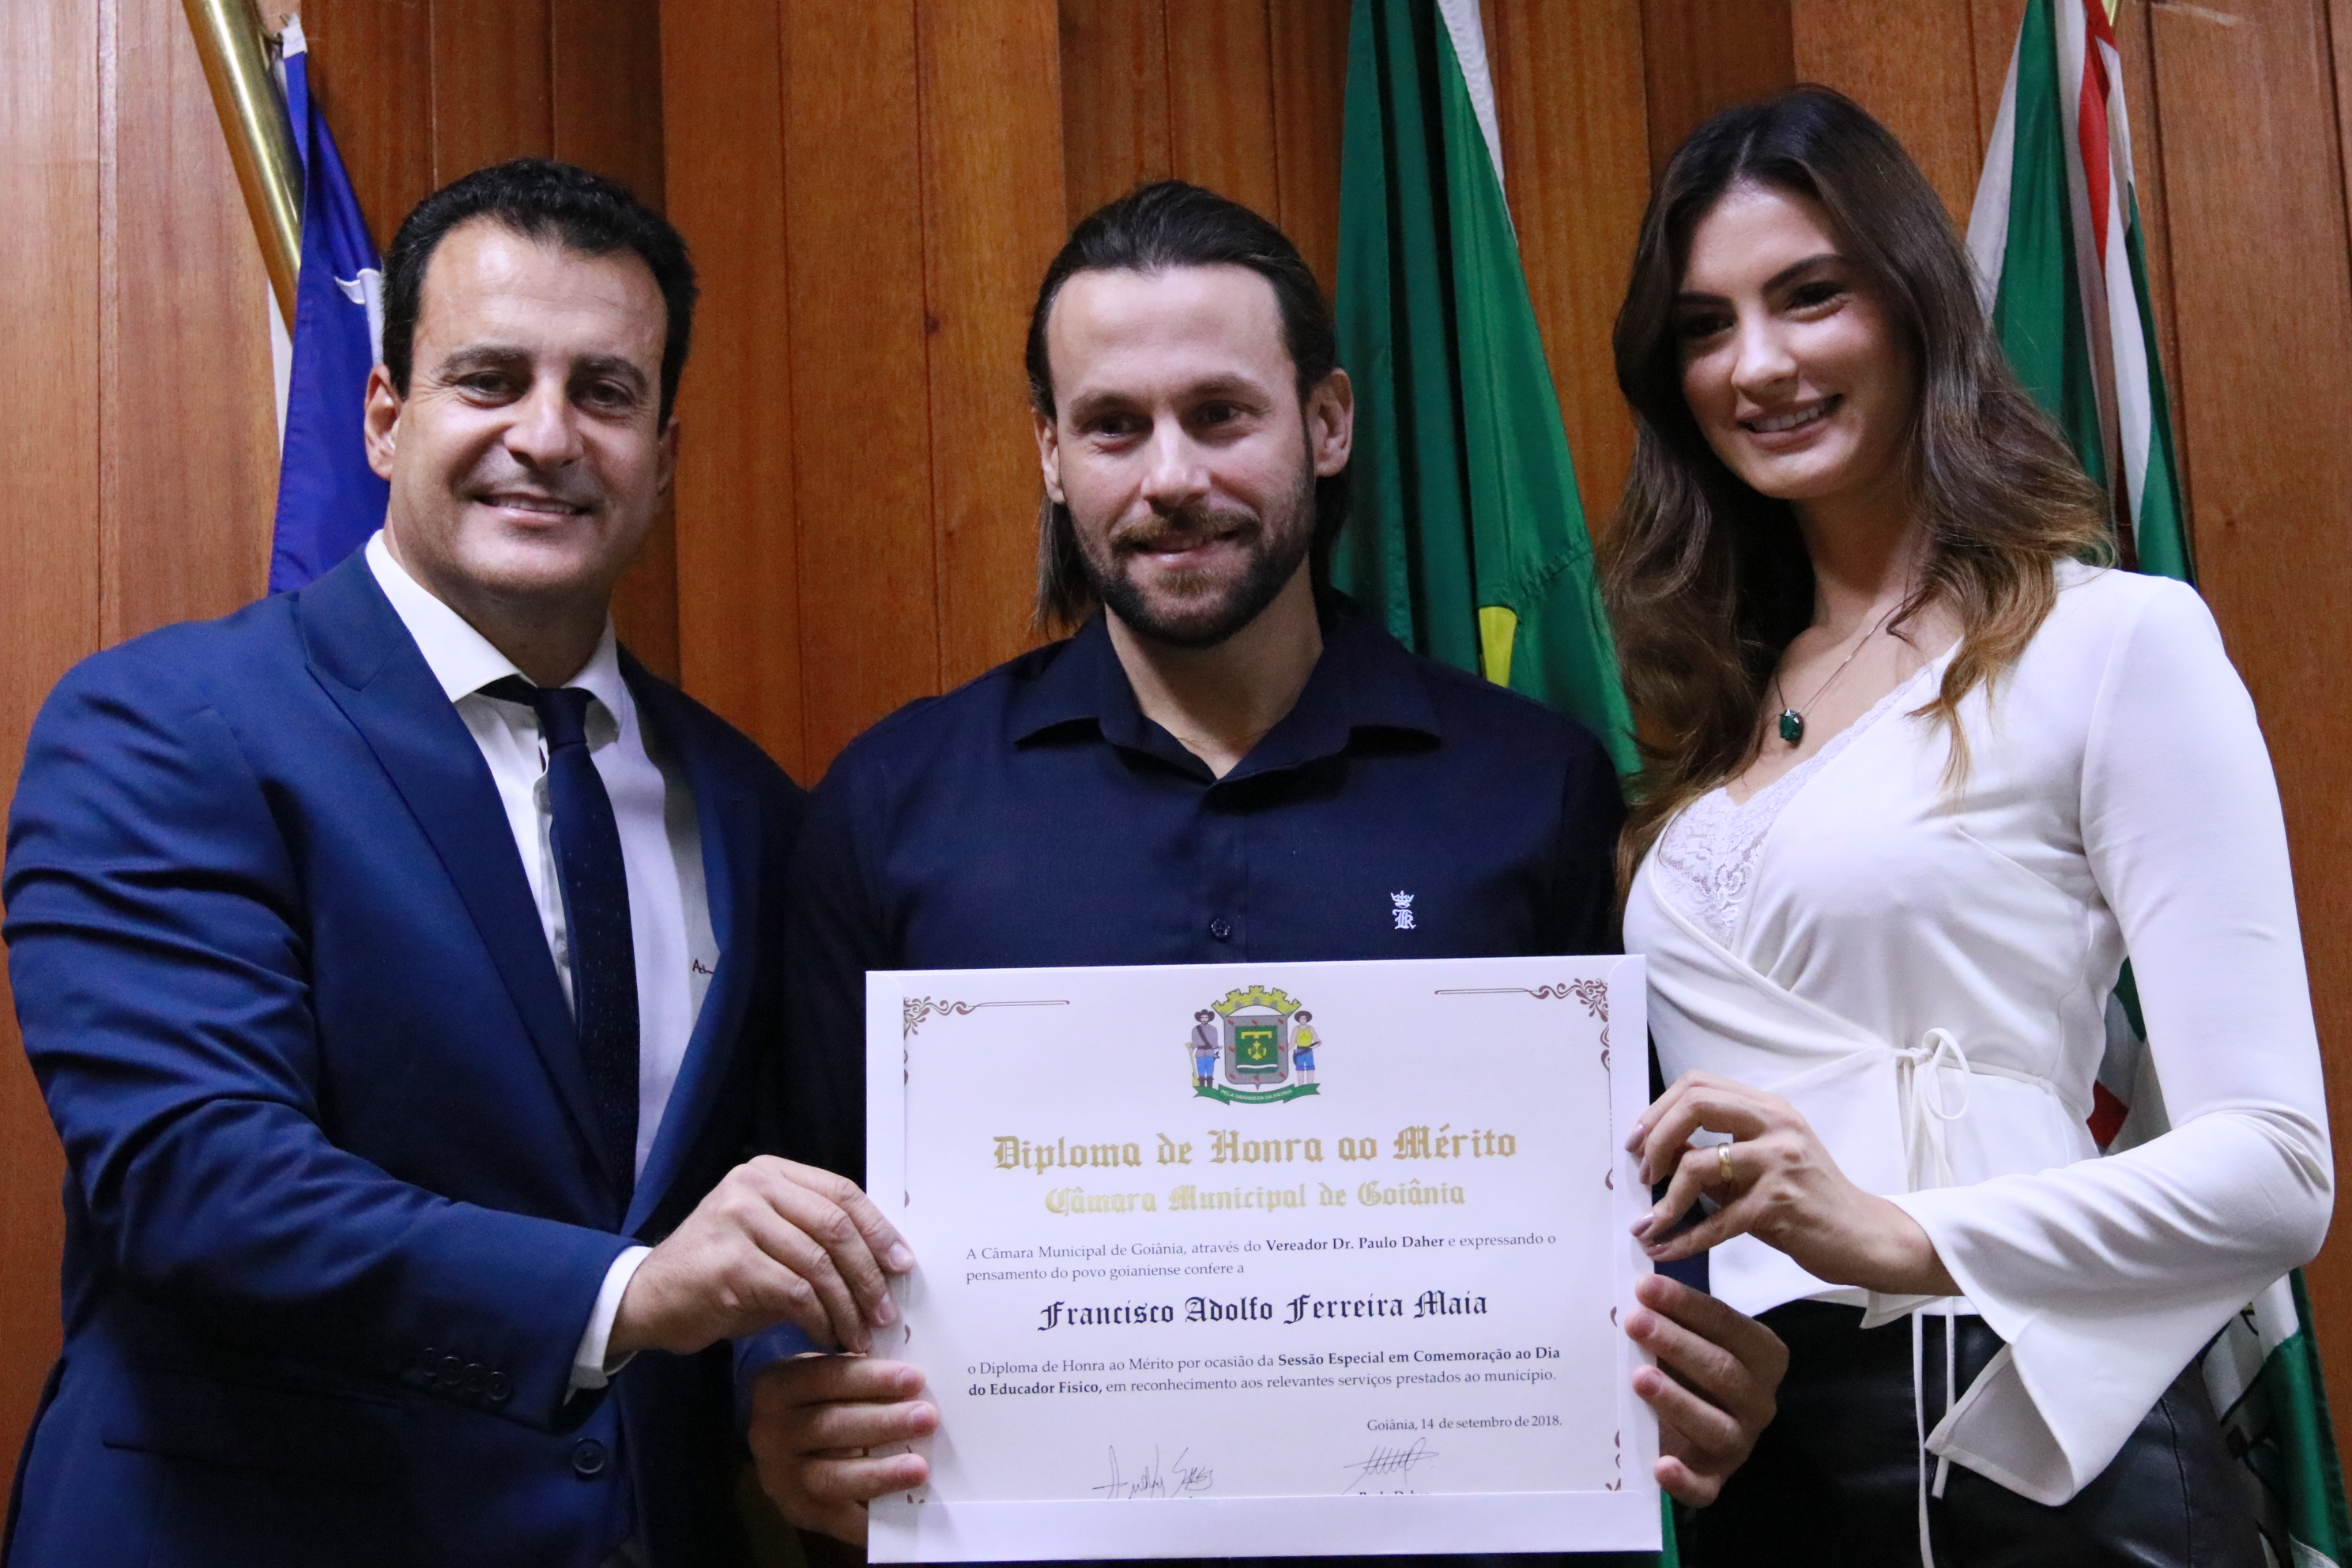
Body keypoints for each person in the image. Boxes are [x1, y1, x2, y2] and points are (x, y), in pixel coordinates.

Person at [745, 179, 1788, 1557]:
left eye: (1221, 413)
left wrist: (1705, 1356)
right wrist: (785, 1398)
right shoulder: (895, 804)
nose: (1171, 477)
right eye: (1113, 426)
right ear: (1052, 454)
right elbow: (806, 1228)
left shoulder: (1531, 788)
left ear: (1328, 422)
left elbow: (1643, 1214)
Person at [2, 160, 906, 1568]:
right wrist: (623, 1297)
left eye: (604, 393)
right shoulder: (167, 730)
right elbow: (195, 1179)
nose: (545, 436)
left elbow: (762, 1198)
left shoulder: (750, 809)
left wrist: (778, 1385)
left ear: (664, 454)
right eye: (489, 379)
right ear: (384, 416)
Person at [1606, 88, 2331, 1566]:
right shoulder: (1717, 711)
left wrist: (1898, 1233)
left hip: (2028, 1440)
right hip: (1763, 1472)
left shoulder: (2112, 642)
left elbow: (2279, 1172)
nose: (1759, 363)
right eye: (1705, 326)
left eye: (1812, 296)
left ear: (1914, 303)